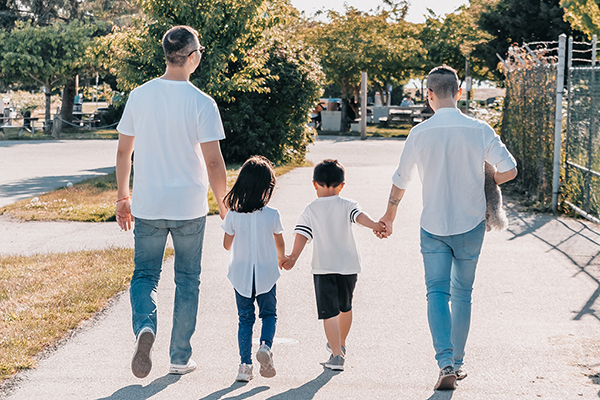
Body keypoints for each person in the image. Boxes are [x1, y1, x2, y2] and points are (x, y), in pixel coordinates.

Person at [377, 65, 517, 390]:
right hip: (471, 225)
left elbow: (400, 182)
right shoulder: (480, 129)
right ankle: (459, 361)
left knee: (436, 292)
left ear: (428, 96)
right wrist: (487, 177)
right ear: (458, 92)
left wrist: (389, 217)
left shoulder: (419, 133)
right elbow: (509, 170)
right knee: (463, 294)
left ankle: (445, 362)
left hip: (434, 226)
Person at [115, 25, 227, 379]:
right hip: (189, 207)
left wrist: (122, 196)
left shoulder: (140, 96)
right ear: (192, 57)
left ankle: (145, 328)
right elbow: (213, 162)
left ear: (167, 55)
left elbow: (123, 152)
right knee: (188, 279)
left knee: (145, 275)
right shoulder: (202, 103)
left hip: (148, 204)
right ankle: (179, 357)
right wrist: (223, 204)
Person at [281, 159, 385, 371]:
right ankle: (341, 344)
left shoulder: (310, 209)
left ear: (314, 184)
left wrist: (292, 257)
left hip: (323, 268)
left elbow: (302, 234)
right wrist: (376, 225)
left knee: (328, 312)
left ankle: (336, 355)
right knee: (345, 307)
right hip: (349, 267)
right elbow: (360, 218)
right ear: (342, 185)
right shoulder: (348, 204)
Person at [221, 155, 286, 382]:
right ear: (266, 188)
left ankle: (244, 366)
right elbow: (279, 242)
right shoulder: (272, 214)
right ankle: (266, 346)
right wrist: (282, 259)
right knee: (268, 314)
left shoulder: (233, 214)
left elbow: (226, 244)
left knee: (245, 318)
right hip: (266, 273)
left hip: (241, 275)